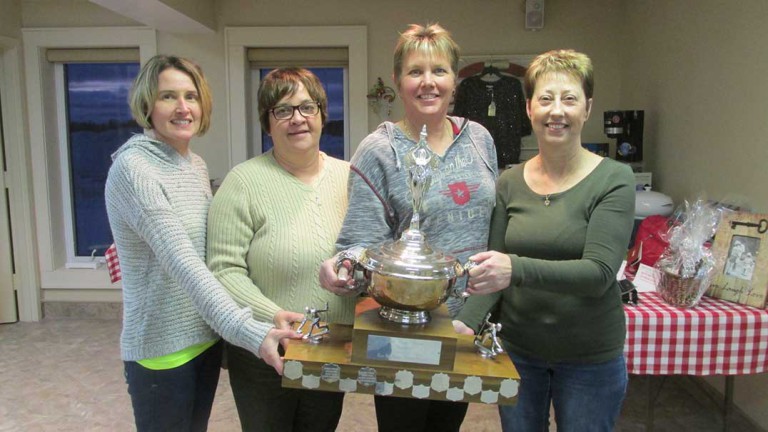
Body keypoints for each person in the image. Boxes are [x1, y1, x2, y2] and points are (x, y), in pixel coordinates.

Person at [105, 55, 300, 432]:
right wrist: (251, 332)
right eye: (168, 97)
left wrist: (264, 311)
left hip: (204, 340)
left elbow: (213, 256)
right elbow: (186, 266)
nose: (182, 108)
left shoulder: (193, 165)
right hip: (162, 351)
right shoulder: (134, 170)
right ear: (148, 104)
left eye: (190, 96)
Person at [319, 24, 498, 432]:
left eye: (440, 70)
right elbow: (358, 241)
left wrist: (475, 313)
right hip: (402, 329)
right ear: (398, 81)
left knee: (447, 425)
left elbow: (493, 225)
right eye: (416, 71)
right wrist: (343, 265)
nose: (428, 82)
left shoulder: (479, 140)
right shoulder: (379, 150)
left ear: (455, 80)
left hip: (467, 321)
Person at [455, 49, 636, 432]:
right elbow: (494, 268)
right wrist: (465, 325)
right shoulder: (509, 182)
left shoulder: (614, 180)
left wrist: (514, 268)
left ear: (587, 108)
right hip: (519, 354)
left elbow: (599, 273)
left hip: (590, 360)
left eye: (569, 99)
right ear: (529, 109)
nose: (557, 110)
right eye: (546, 99)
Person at [206, 68, 354, 432]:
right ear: (267, 123)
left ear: (322, 114)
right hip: (267, 350)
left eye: (307, 107)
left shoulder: (352, 176)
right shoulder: (242, 182)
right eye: (283, 110)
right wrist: (272, 315)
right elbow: (223, 270)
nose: (298, 119)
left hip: (332, 348)